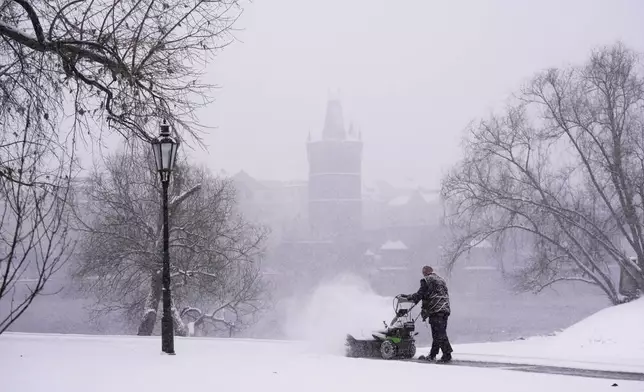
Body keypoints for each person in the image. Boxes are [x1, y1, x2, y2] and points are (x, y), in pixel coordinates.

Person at [400, 265, 453, 362]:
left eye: (423, 272)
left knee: (439, 333)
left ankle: (447, 354)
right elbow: (431, 295)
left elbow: (420, 295)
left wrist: (408, 297)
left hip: (436, 310)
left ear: (425, 272)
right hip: (445, 309)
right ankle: (433, 355)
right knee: (438, 333)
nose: (423, 274)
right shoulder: (441, 280)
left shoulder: (426, 280)